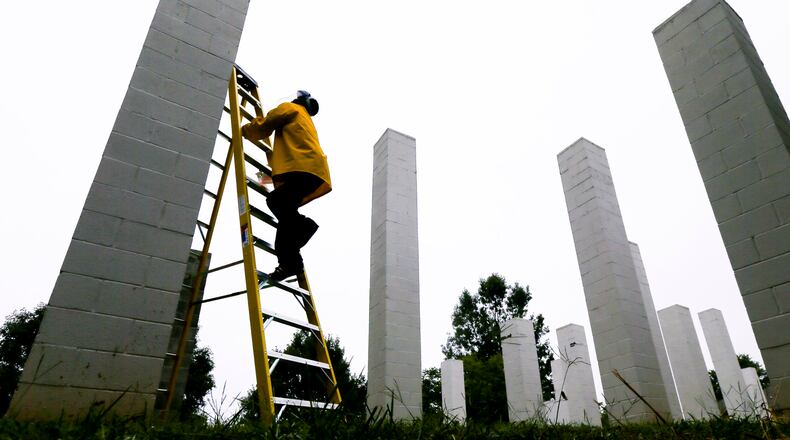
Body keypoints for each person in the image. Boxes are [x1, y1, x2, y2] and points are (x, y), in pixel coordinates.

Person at [241, 90, 331, 281]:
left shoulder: (290, 108)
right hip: (311, 171)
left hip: (302, 169)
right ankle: (292, 262)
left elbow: (264, 127)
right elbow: (283, 163)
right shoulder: (305, 120)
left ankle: (305, 227)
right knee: (285, 215)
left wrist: (243, 130)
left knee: (278, 204)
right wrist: (262, 178)